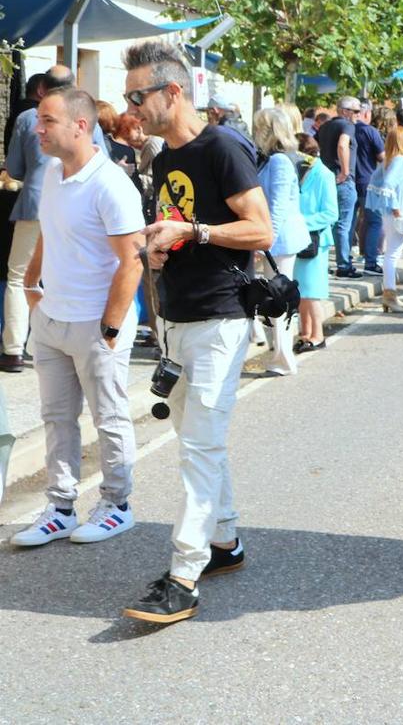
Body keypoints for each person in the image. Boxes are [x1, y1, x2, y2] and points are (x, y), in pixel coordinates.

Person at [120, 39, 273, 624]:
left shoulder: (222, 148)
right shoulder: (163, 158)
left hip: (219, 318)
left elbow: (261, 230)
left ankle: (183, 575)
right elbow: (177, 226)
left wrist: (196, 234)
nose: (131, 106)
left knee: (200, 448)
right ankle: (225, 543)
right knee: (196, 442)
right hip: (178, 318)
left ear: (173, 91)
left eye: (138, 95)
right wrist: (159, 248)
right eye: (128, 96)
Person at [8, 87, 144, 547]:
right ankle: (60, 507)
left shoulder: (110, 184)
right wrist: (31, 283)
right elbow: (49, 229)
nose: (36, 128)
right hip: (51, 319)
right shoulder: (50, 173)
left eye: (46, 120)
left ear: (79, 126)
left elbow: (133, 260)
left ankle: (117, 504)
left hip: (95, 322)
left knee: (109, 417)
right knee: (56, 417)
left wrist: (109, 327)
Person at [3, 65, 104, 373]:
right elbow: (103, 160)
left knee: (18, 277)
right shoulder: (86, 118)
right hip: (78, 205)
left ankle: (13, 349)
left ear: (42, 89)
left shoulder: (26, 118)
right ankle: (53, 342)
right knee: (60, 271)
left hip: (34, 202)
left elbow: (15, 168)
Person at [252, 107, 310, 376]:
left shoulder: (278, 162)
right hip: (280, 238)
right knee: (277, 299)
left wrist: (263, 244)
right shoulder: (274, 159)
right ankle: (281, 355)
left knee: (278, 299)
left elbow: (277, 207)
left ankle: (283, 358)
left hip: (280, 239)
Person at [366, 125, 403, 313]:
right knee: (393, 254)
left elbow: (378, 182)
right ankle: (389, 294)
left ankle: (390, 294)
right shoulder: (400, 161)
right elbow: (387, 184)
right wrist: (396, 207)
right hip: (399, 214)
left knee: (392, 254)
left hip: (393, 213)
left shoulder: (390, 160)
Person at [293, 133, 337, 353]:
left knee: (312, 291)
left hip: (315, 240)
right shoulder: (300, 171)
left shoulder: (323, 174)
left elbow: (331, 213)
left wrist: (302, 222)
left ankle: (317, 335)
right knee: (301, 291)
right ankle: (305, 332)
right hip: (300, 238)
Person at [317, 96, 361, 278]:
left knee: (327, 223)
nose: (358, 115)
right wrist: (344, 171)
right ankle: (343, 265)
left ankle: (322, 262)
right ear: (345, 111)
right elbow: (343, 145)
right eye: (356, 111)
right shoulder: (347, 125)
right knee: (343, 224)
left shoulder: (325, 126)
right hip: (341, 179)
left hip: (326, 178)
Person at [354, 101, 385, 275]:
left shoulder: (347, 129)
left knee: (348, 224)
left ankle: (346, 261)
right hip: (367, 181)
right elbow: (382, 157)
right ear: (366, 114)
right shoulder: (370, 131)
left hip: (348, 180)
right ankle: (370, 262)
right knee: (374, 221)